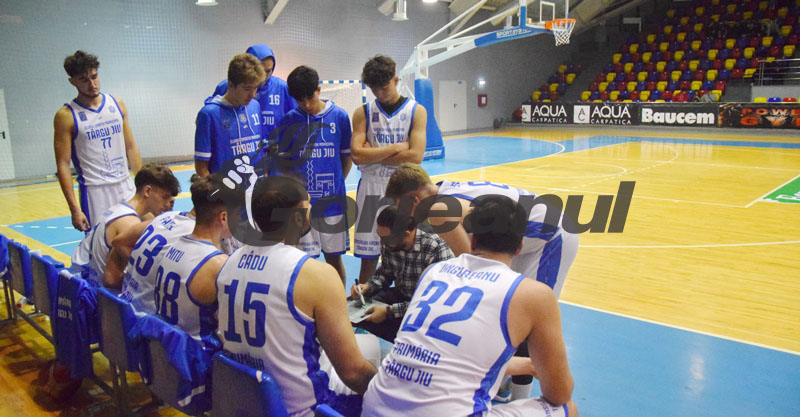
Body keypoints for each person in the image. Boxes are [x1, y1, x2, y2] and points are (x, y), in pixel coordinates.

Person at [362, 196, 578, 417]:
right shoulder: (533, 294)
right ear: (519, 247)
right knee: (567, 408)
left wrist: (527, 365)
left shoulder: (433, 272)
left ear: (472, 241)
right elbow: (559, 393)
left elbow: (451, 360)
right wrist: (539, 367)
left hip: (375, 406)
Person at [216, 175, 376, 417]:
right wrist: (388, 389)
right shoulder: (315, 274)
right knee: (375, 369)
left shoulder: (227, 262)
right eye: (308, 206)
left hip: (244, 399)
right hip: (302, 409)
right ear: (297, 217)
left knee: (364, 347)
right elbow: (353, 373)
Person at [350, 55, 428, 284]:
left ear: (395, 80)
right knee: (368, 256)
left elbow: (415, 157)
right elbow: (357, 156)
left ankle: (406, 297)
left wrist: (373, 154)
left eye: (383, 87)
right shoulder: (363, 112)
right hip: (370, 189)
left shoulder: (416, 111)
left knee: (407, 250)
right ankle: (364, 298)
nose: (379, 93)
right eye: (374, 88)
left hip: (403, 189)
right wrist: (396, 148)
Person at [273, 65, 352, 282]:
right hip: (301, 208)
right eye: (300, 101)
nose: (307, 105)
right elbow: (285, 165)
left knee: (334, 260)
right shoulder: (288, 121)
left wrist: (336, 183)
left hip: (332, 205)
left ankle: (339, 300)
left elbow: (346, 158)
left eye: (310, 97)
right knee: (300, 263)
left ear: (318, 89)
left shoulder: (340, 117)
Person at [54, 50, 142, 231]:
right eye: (84, 80)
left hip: (125, 184)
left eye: (94, 77)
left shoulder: (116, 103)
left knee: (137, 237)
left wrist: (142, 184)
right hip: (95, 192)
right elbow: (63, 164)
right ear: (72, 81)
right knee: (102, 244)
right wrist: (74, 209)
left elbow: (131, 147)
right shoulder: (66, 116)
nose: (92, 85)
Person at [349, 205, 453, 342]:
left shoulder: (435, 247)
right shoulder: (389, 241)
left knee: (408, 329)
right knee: (356, 308)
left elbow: (435, 301)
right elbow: (386, 272)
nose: (383, 242)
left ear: (406, 233)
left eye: (386, 239)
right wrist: (367, 287)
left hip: (428, 308)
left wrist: (390, 311)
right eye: (380, 236)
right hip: (403, 296)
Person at [71, 164, 179, 288]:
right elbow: (112, 280)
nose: (167, 204)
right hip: (102, 292)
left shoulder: (118, 209)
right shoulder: (129, 223)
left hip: (86, 280)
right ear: (147, 191)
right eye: (164, 197)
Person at [152, 176, 229, 349]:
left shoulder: (174, 246)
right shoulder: (217, 264)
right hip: (197, 355)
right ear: (223, 217)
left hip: (165, 348)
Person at [108, 177, 204, 314]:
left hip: (125, 302)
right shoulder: (195, 236)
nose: (167, 203)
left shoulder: (166, 217)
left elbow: (119, 241)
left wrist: (141, 267)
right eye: (165, 197)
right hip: (147, 315)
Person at [195, 53, 266, 177]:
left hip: (256, 185)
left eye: (255, 88)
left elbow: (260, 151)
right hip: (225, 188)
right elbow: (202, 168)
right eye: (247, 89)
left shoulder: (255, 106)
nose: (252, 94)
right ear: (231, 85)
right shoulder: (208, 115)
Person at [211, 44, 295, 142]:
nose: (265, 76)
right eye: (262, 71)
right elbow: (212, 116)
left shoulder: (282, 87)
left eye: (269, 71)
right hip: (237, 146)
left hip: (274, 149)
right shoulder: (226, 86)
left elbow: (296, 120)